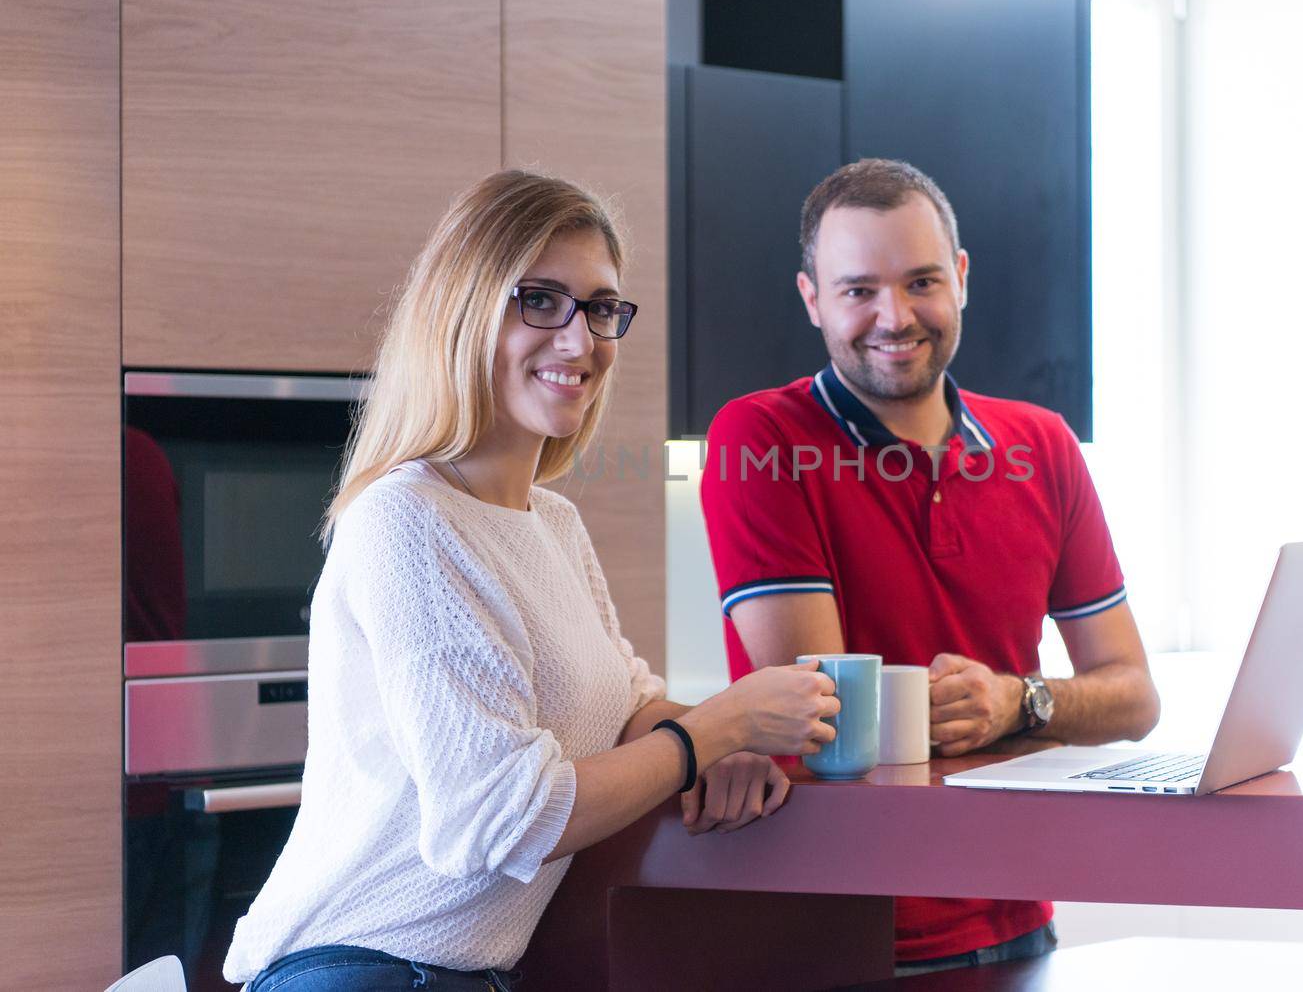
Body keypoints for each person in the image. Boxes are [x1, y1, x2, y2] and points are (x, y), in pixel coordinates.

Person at [223, 171, 839, 991]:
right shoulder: (406, 520)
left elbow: (625, 709)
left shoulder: (551, 524)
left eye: (599, 308)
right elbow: (500, 816)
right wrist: (713, 733)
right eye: (540, 301)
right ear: (463, 311)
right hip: (359, 967)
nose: (580, 341)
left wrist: (723, 736)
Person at [700, 158, 1161, 975]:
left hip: (1019, 914)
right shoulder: (760, 440)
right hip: (833, 933)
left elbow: (1134, 696)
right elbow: (823, 715)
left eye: (920, 282)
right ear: (812, 299)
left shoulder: (1043, 445)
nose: (895, 316)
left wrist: (1020, 700)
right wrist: (1005, 715)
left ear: (961, 278)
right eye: (858, 290)